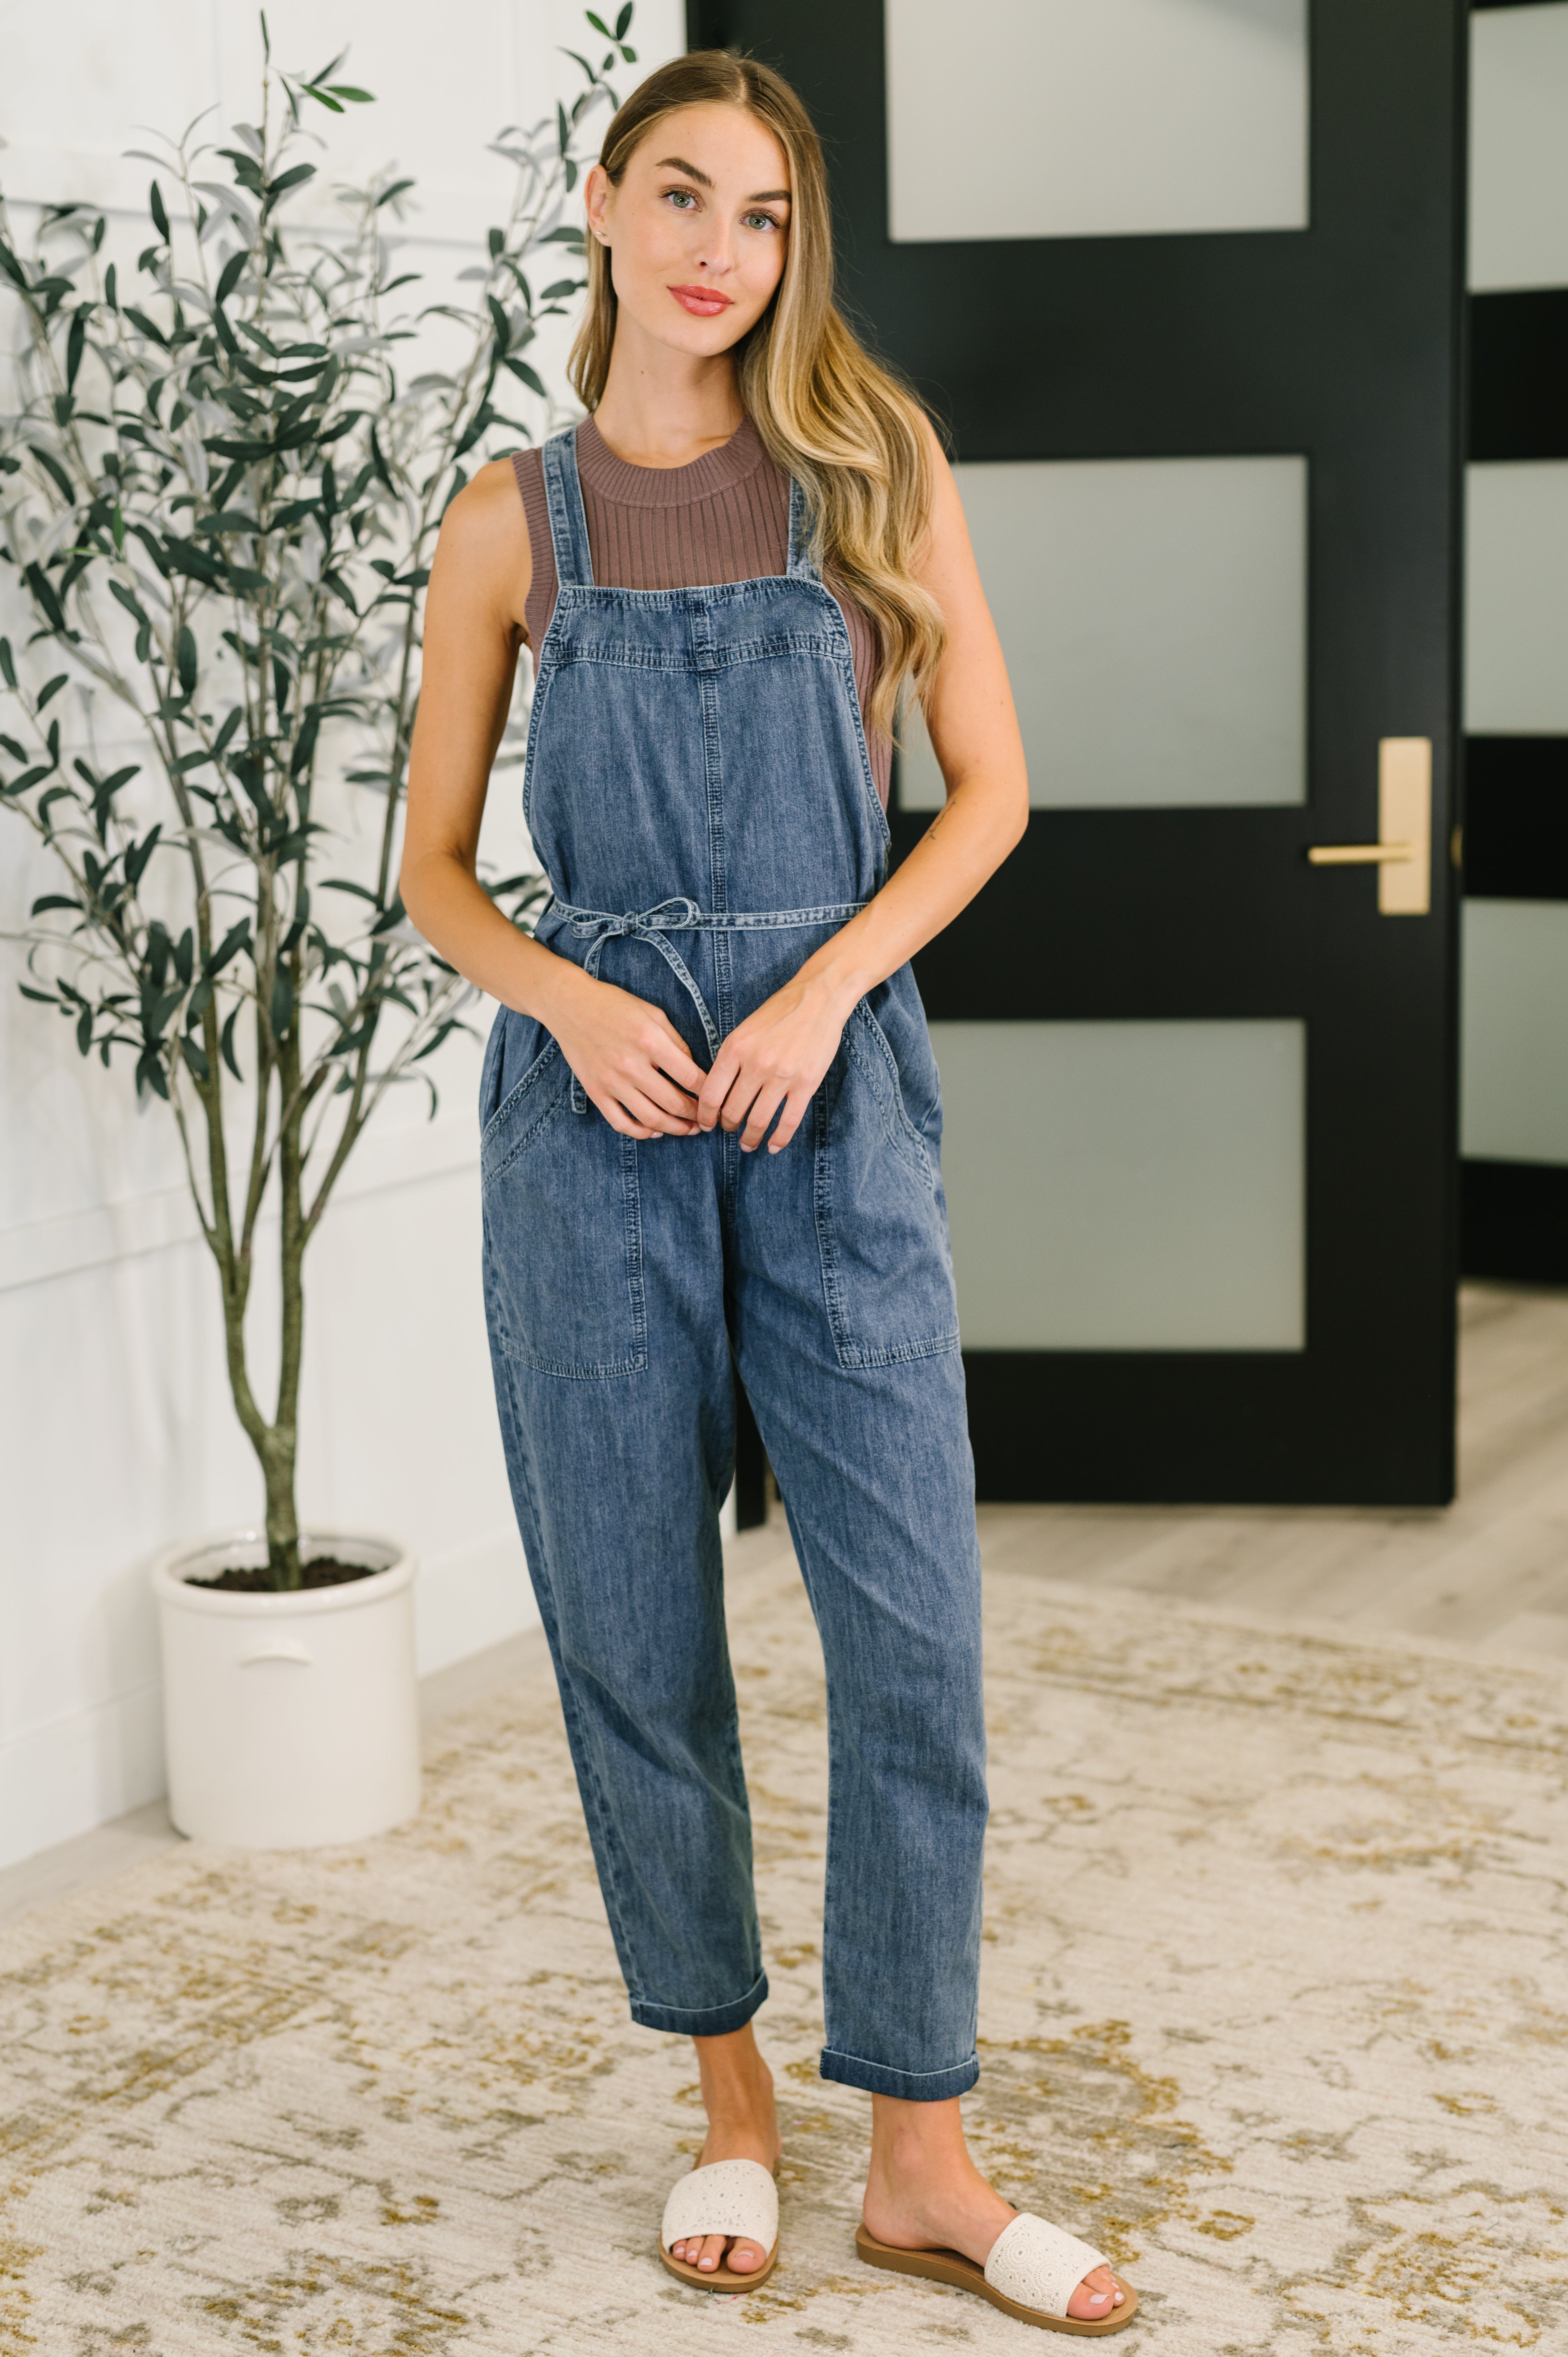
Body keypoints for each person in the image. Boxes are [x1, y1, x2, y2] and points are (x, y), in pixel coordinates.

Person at [401, 47, 1136, 2337]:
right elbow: (428, 868)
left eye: (768, 216)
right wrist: (560, 993)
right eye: (686, 198)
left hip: (834, 1092)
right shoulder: (509, 521)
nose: (727, 251)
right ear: (605, 206)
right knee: (633, 1628)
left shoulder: (868, 466)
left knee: (907, 1628)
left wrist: (821, 996)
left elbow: (990, 794)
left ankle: (918, 2147)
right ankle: (728, 2095)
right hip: (591, 1115)